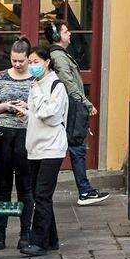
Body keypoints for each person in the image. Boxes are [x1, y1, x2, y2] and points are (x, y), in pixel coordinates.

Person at [41, 21, 106, 206]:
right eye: (66, 31)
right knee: (76, 148)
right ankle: (84, 191)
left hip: (72, 105)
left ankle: (84, 190)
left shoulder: (61, 55)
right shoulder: (59, 57)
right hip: (71, 107)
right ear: (56, 36)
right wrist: (86, 103)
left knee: (74, 148)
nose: (69, 34)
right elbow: (70, 83)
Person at [0, 37, 35, 251]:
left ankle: (25, 232)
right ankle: (0, 232)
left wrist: (27, 107)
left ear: (28, 59)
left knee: (26, 186)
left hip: (26, 134)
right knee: (2, 186)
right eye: (14, 60)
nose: (17, 64)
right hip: (3, 134)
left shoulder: (36, 78)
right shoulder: (1, 77)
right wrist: (5, 105)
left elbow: (45, 109)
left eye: (21, 61)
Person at [20, 47, 67, 257]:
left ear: (47, 62)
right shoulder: (35, 86)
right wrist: (27, 113)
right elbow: (37, 114)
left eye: (36, 61)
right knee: (40, 195)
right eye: (30, 61)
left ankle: (38, 241)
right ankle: (51, 239)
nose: (32, 66)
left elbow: (50, 116)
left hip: (52, 148)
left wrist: (37, 95)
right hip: (35, 147)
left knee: (42, 195)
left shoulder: (56, 86)